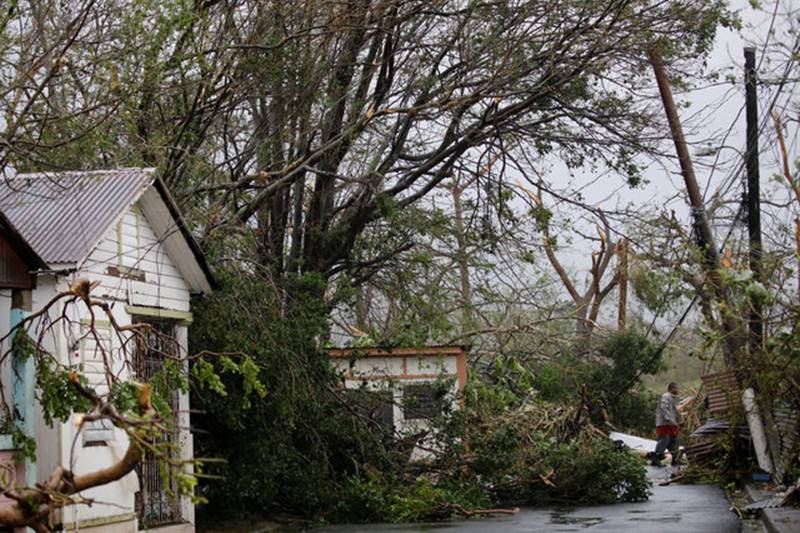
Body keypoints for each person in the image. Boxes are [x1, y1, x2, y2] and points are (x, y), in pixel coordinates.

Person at [651, 382, 681, 467]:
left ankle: (675, 459)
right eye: (677, 388)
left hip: (672, 424)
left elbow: (674, 410)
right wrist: (669, 419)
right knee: (664, 440)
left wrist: (678, 419)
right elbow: (664, 409)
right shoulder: (665, 397)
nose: (678, 390)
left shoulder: (673, 398)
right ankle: (656, 459)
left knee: (674, 440)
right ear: (672, 389)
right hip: (664, 423)